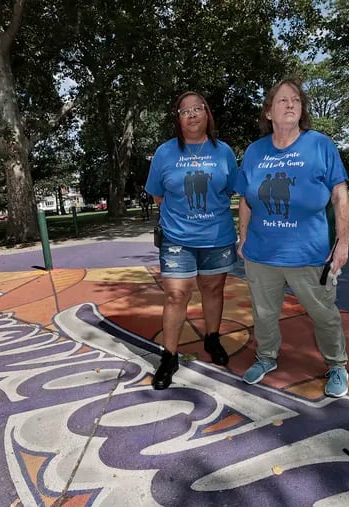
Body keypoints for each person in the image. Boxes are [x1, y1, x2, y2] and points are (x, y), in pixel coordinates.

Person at [234, 77, 349, 398]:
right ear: (269, 112)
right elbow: (246, 199)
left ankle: (337, 364)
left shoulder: (320, 145)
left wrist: (342, 241)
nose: (290, 105)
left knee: (324, 313)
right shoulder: (255, 152)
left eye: (296, 100)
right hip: (262, 254)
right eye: (282, 100)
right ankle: (266, 357)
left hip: (310, 254)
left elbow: (340, 196)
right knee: (264, 314)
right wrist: (242, 237)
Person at [145, 91, 239, 390]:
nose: (193, 114)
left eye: (198, 108)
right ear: (178, 119)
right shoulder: (165, 153)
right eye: (185, 111)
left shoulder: (223, 151)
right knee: (176, 295)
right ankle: (169, 357)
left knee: (213, 288)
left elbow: (230, 191)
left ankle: (212, 339)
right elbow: (158, 195)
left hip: (217, 235)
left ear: (207, 114)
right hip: (177, 239)